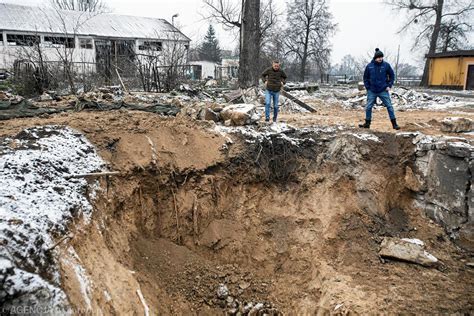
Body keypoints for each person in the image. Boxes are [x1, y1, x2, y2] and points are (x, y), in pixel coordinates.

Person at [359, 48, 400, 130]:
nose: (380, 58)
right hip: (372, 90)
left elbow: (392, 76)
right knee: (368, 107)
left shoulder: (386, 65)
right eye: (378, 57)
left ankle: (394, 124)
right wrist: (368, 88)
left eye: (381, 57)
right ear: (375, 58)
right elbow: (365, 78)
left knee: (389, 106)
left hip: (383, 90)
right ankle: (367, 123)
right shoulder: (369, 66)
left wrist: (389, 85)